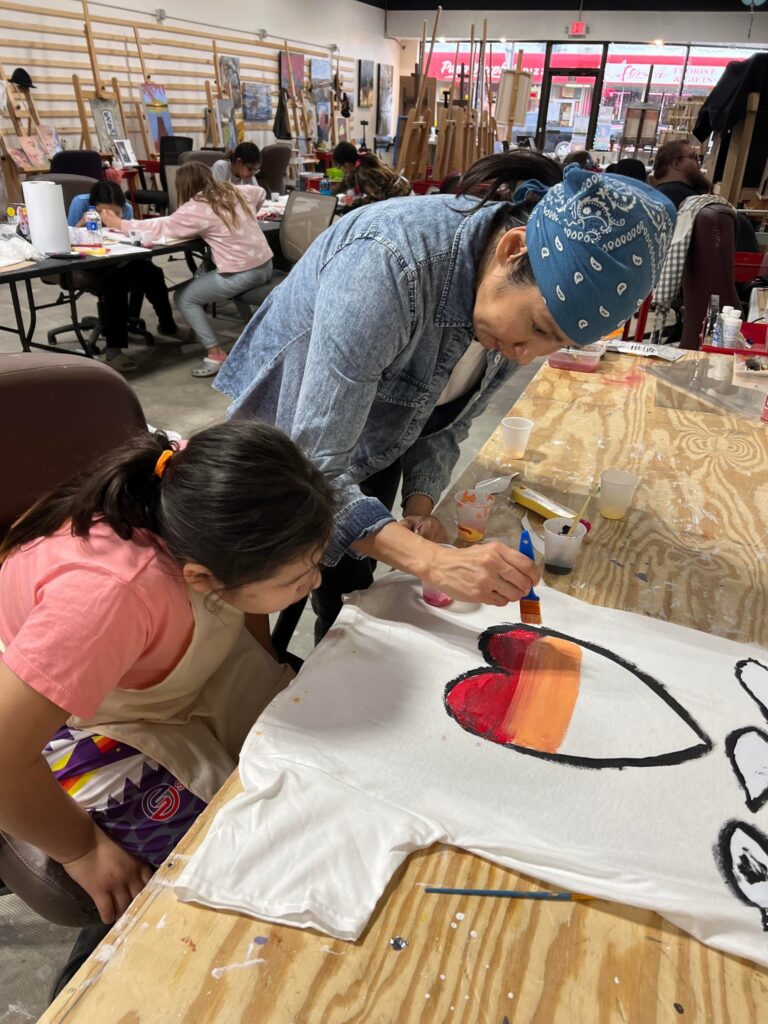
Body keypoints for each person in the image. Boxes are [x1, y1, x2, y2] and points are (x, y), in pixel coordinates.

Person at [214, 153, 676, 641]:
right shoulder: (389, 262)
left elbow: (442, 416)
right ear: (513, 251)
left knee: (350, 584)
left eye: (556, 343)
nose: (526, 356)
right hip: (285, 440)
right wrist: (432, 561)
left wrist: (419, 507)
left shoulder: (503, 311)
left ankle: (335, 633)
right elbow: (312, 465)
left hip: (372, 432)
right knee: (263, 587)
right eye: (538, 328)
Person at [0, 420, 335, 924]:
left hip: (152, 660)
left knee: (319, 766)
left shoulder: (205, 502)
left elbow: (249, 605)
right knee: (230, 857)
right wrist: (82, 850)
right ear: (203, 578)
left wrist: (265, 672)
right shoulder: (108, 598)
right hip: (66, 707)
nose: (317, 580)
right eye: (298, 577)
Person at [100, 162, 273, 378]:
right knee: (203, 281)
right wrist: (245, 215)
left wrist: (120, 224)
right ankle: (246, 337)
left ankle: (216, 353)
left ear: (184, 186)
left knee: (184, 298)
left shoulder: (197, 207)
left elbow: (163, 227)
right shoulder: (233, 190)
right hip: (265, 264)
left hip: (242, 272)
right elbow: (259, 192)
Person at [66, 181, 178, 373]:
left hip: (120, 256)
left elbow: (131, 236)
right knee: (115, 284)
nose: (112, 217)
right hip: (89, 261)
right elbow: (66, 239)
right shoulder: (80, 203)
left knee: (153, 273)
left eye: (116, 213)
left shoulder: (126, 207)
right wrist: (81, 224)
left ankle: (167, 325)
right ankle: (114, 351)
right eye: (104, 212)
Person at [653, 140, 759, 251]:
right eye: (694, 157)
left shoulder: (662, 196)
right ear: (676, 164)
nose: (699, 164)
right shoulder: (674, 195)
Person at [331, 141, 411, 206]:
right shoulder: (359, 160)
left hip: (402, 197)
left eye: (340, 166)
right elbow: (346, 182)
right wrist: (328, 194)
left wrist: (353, 202)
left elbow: (375, 200)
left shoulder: (364, 172)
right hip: (401, 191)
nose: (340, 169)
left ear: (346, 164)